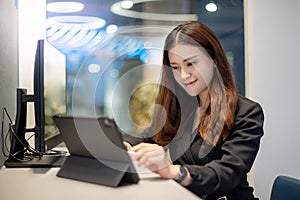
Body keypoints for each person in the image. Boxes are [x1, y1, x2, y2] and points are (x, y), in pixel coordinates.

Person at [123, 21, 264, 200]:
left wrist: (174, 171)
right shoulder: (181, 107)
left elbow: (228, 174)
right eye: (175, 67)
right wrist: (125, 146)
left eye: (190, 64)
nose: (183, 75)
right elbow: (146, 137)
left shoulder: (246, 112)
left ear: (214, 59)